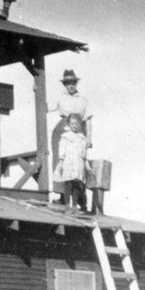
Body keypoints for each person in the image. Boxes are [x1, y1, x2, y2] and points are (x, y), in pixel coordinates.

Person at [48, 69, 92, 208]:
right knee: (61, 161)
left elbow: (88, 120)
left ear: (76, 83)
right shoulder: (61, 97)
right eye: (68, 83)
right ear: (64, 85)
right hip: (62, 131)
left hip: (78, 131)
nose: (71, 86)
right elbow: (46, 107)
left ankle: (81, 199)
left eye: (73, 83)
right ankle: (63, 196)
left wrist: (89, 139)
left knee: (79, 163)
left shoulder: (83, 99)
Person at [54, 113, 89, 210]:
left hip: (78, 163)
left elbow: (84, 153)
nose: (74, 126)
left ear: (80, 125)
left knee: (77, 184)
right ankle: (67, 206)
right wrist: (61, 162)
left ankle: (74, 206)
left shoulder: (82, 138)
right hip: (68, 162)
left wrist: (86, 165)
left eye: (76, 124)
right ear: (69, 124)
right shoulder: (65, 136)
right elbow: (62, 149)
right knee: (68, 183)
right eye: (72, 124)